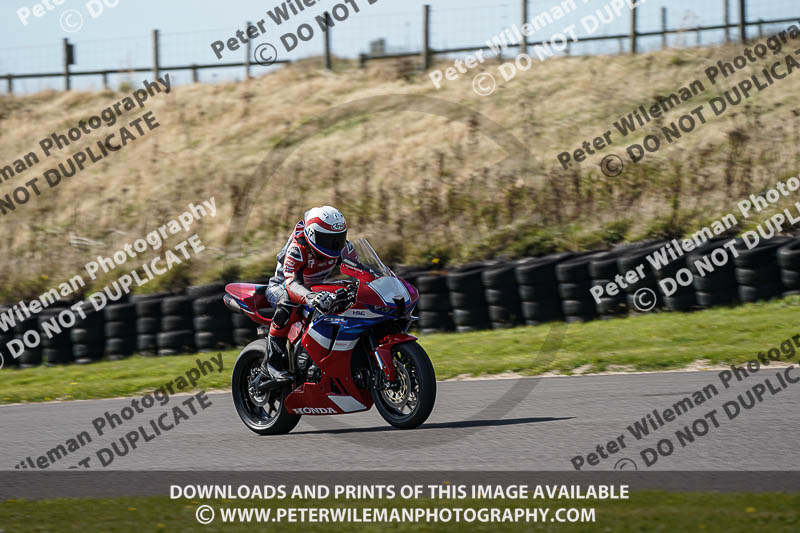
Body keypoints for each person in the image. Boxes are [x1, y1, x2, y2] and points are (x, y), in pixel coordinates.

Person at [260, 206, 356, 382]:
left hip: (314, 289)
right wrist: (311, 297)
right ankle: (271, 362)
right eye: (328, 239)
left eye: (338, 238)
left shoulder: (342, 248)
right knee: (288, 303)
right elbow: (291, 283)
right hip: (282, 286)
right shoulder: (299, 248)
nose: (334, 245)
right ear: (312, 235)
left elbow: (362, 270)